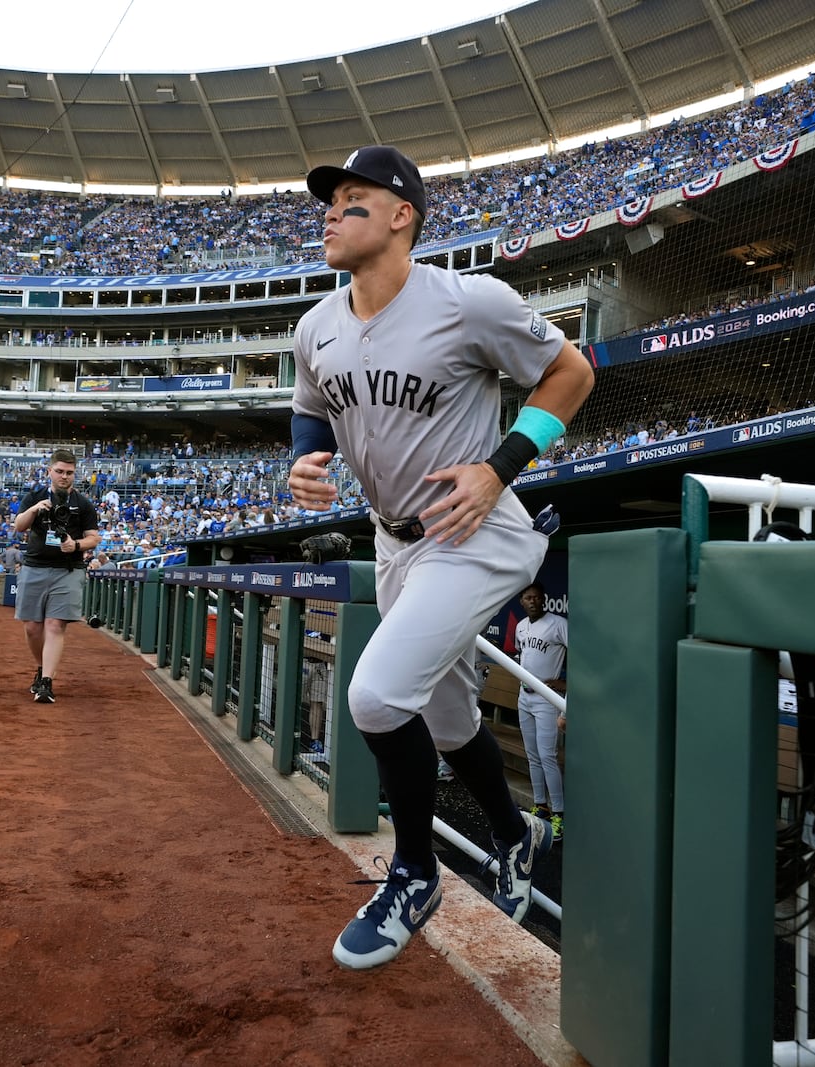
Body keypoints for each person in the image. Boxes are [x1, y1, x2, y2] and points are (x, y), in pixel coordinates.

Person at [287, 145, 594, 970]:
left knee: (379, 696)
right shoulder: (315, 324)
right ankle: (514, 830)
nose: (331, 212)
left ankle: (416, 870)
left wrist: (501, 466)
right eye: (329, 201)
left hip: (473, 530)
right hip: (396, 542)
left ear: (401, 216)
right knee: (450, 718)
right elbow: (312, 408)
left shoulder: (468, 302)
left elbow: (571, 371)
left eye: (352, 200)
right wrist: (305, 459)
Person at [12, 449, 101, 705]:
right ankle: (41, 668)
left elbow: (94, 538)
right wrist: (36, 510)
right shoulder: (35, 496)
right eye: (59, 471)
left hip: (68, 569)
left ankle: (47, 682)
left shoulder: (83, 504)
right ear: (49, 471)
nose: (64, 476)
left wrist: (75, 545)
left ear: (75, 474)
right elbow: (19, 526)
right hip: (34, 566)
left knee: (54, 625)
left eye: (69, 473)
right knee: (32, 627)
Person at [513, 582, 568, 843]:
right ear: (521, 601)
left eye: (536, 597)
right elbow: (521, 655)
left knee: (547, 756)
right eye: (527, 597)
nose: (532, 601)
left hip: (547, 698)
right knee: (533, 756)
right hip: (525, 696)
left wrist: (564, 684)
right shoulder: (521, 626)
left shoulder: (558, 623)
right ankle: (540, 807)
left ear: (543, 599)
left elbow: (581, 655)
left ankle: (560, 813)